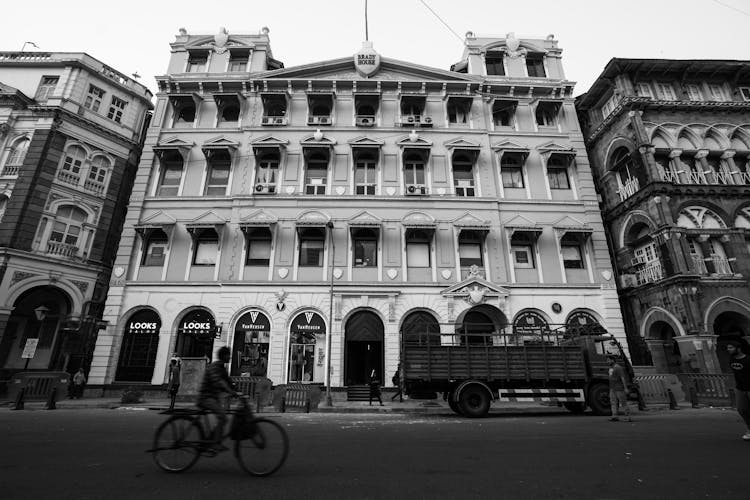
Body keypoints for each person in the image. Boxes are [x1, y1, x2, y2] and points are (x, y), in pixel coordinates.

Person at [197, 346, 241, 451]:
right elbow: (219, 381)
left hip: (213, 398)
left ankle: (210, 440)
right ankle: (215, 443)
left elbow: (228, 381)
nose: (230, 357)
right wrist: (231, 392)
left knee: (222, 416)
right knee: (223, 417)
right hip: (206, 397)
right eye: (228, 355)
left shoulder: (222, 368)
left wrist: (238, 391)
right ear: (224, 356)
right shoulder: (215, 367)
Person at [726, 340, 750, 441]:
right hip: (740, 388)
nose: (728, 349)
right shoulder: (731, 359)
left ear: (738, 349)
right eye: (728, 348)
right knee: (742, 409)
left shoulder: (748, 359)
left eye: (731, 348)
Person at [607, 355, 632, 422]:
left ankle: (628, 417)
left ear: (613, 360)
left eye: (609, 360)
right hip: (612, 388)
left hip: (619, 388)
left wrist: (625, 388)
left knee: (623, 402)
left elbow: (622, 378)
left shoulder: (618, 368)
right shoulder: (610, 368)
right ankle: (614, 416)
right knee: (613, 402)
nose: (607, 361)